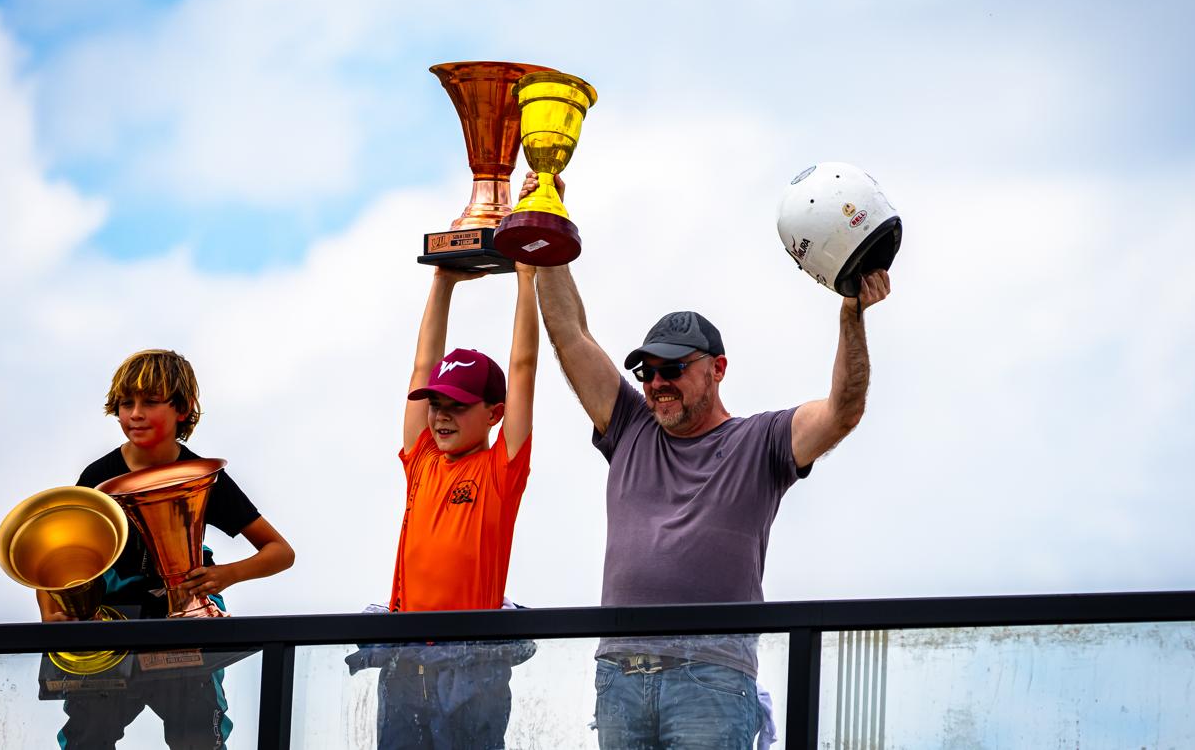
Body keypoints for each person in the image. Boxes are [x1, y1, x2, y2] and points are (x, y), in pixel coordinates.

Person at [522, 171, 891, 749]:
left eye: (673, 368)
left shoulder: (760, 442)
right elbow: (570, 335)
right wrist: (547, 224)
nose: (656, 383)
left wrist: (851, 314)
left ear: (717, 369)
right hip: (619, 677)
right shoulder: (630, 426)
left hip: (712, 678)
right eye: (647, 371)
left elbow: (842, 412)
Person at [44, 348, 295, 750]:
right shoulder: (97, 476)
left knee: (199, 739)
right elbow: (56, 558)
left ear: (183, 408)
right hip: (112, 629)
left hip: (187, 628)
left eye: (150, 402)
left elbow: (279, 551)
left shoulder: (206, 476)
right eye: (126, 403)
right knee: (87, 738)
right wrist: (52, 616)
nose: (135, 414)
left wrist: (226, 575)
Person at [369, 263, 539, 749]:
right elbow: (421, 369)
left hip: (472, 669)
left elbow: (523, 367)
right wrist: (441, 283)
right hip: (405, 667)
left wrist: (526, 279)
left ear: (494, 413)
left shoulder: (499, 470)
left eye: (458, 405)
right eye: (437, 404)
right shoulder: (421, 458)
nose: (442, 415)